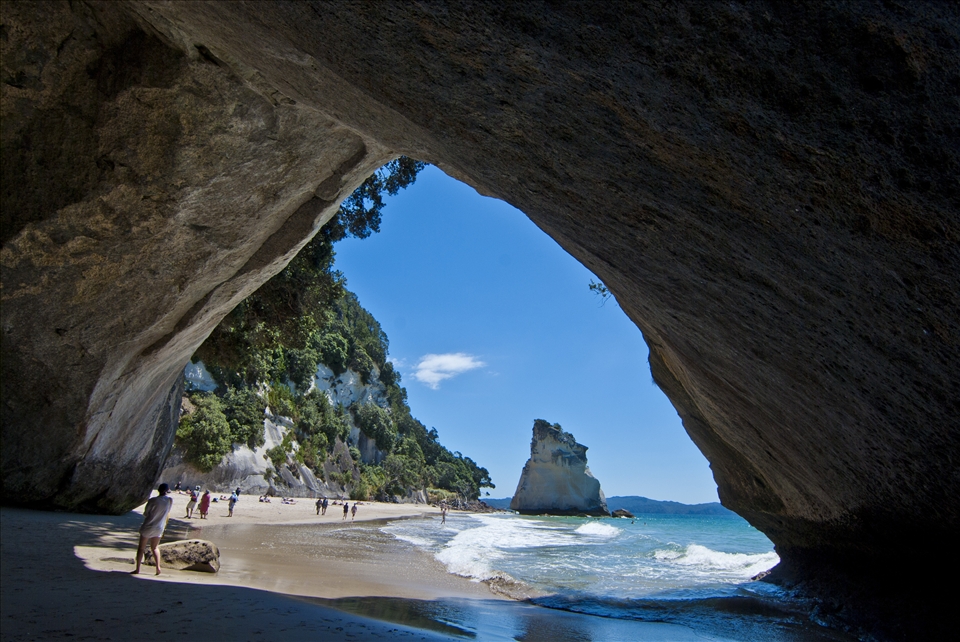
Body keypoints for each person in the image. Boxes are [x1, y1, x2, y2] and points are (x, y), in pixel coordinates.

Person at [132, 483, 174, 575]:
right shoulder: (169, 500)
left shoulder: (152, 500)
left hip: (148, 526)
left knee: (141, 548)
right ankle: (158, 568)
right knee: (155, 547)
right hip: (159, 527)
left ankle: (138, 569)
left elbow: (146, 513)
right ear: (167, 490)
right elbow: (168, 512)